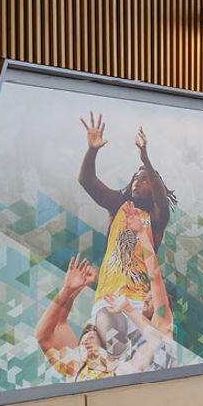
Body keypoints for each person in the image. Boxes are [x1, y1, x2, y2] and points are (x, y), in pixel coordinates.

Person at [77, 112, 176, 361]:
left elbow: (163, 206)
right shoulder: (119, 206)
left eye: (144, 180)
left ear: (155, 188)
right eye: (135, 178)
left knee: (154, 360)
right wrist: (92, 150)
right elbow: (86, 180)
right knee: (112, 347)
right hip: (109, 298)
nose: (137, 182)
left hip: (138, 303)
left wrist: (145, 159)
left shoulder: (155, 218)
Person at [35, 253, 165, 381]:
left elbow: (155, 340)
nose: (88, 335)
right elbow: (45, 333)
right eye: (85, 332)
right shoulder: (75, 368)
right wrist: (69, 289)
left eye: (95, 332)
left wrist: (128, 309)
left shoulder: (121, 373)